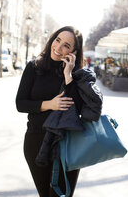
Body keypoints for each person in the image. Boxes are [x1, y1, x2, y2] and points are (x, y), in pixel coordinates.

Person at [16, 26, 102, 197]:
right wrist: (50, 104)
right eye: (58, 40)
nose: (59, 48)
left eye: (66, 46)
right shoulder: (33, 67)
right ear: (52, 39)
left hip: (67, 143)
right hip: (36, 141)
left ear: (74, 52)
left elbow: (79, 109)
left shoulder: (78, 75)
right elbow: (21, 104)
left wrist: (68, 76)